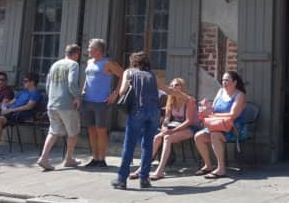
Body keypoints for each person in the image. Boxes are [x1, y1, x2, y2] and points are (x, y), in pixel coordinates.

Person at [111, 53, 187, 189]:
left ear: (133, 62)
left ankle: (121, 179)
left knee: (129, 145)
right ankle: (144, 179)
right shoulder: (152, 75)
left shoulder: (129, 72)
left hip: (137, 111)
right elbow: (168, 90)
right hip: (154, 112)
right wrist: (185, 96)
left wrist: (129, 85)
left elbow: (122, 92)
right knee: (148, 146)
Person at [139, 77, 201, 181]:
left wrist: (171, 131)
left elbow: (189, 121)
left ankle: (160, 170)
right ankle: (143, 167)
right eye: (171, 85)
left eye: (176, 85)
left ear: (182, 87)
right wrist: (164, 126)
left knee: (167, 138)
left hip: (190, 127)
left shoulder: (189, 100)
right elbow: (167, 118)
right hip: (174, 126)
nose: (173, 87)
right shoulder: (170, 99)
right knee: (157, 137)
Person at [36, 45, 83, 171]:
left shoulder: (55, 65)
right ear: (76, 54)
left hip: (52, 103)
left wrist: (51, 96)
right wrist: (77, 96)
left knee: (53, 131)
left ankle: (44, 158)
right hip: (66, 103)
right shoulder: (73, 64)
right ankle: (69, 158)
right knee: (73, 132)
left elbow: (47, 84)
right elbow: (72, 82)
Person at [194, 70, 248, 179]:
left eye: (227, 80)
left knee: (215, 135)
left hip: (234, 128)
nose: (224, 82)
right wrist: (207, 106)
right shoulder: (220, 91)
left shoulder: (240, 95)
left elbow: (232, 115)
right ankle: (208, 165)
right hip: (218, 125)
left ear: (235, 82)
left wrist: (213, 115)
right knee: (198, 137)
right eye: (223, 80)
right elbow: (213, 109)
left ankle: (221, 169)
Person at [81, 39, 124, 168]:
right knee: (91, 129)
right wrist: (84, 88)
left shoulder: (107, 63)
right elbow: (88, 78)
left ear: (98, 50)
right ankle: (95, 158)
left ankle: (102, 159)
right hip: (87, 100)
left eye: (90, 48)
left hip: (101, 101)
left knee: (101, 130)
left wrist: (115, 93)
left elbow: (124, 74)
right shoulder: (89, 62)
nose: (88, 50)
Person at [0, 72, 43, 158]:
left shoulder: (35, 93)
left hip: (18, 115)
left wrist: (10, 110)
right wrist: (4, 104)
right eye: (23, 81)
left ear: (32, 82)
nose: (23, 83)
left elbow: (29, 106)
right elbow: (10, 102)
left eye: (26, 81)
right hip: (9, 112)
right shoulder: (23, 92)